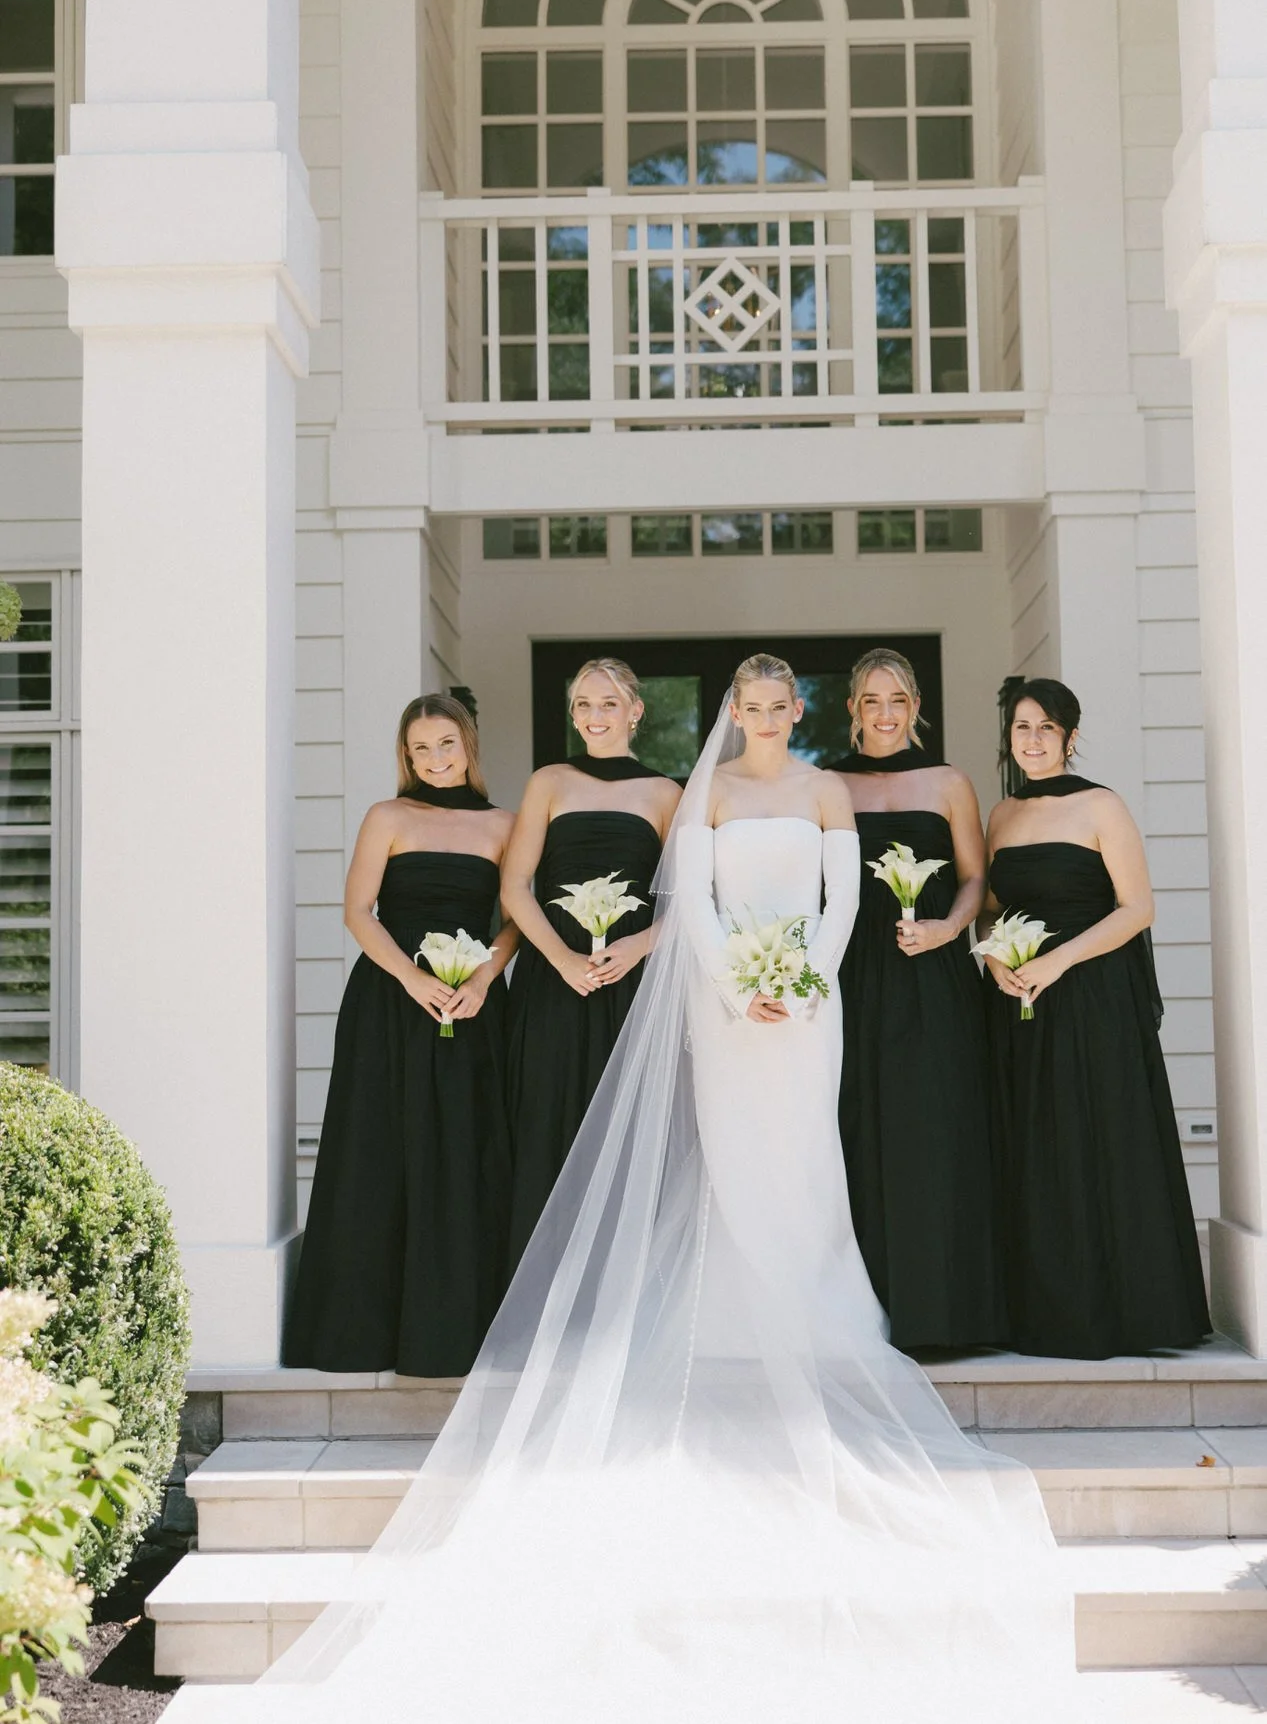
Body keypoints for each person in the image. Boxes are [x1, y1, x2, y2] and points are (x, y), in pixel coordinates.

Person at [235, 654, 1084, 1724]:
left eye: (781, 707)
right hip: (725, 1005)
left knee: (806, 1155)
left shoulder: (822, 792)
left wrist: (802, 978)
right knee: (727, 1152)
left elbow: (838, 906)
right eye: (755, 706)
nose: (767, 718)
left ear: (796, 714)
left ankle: (817, 1304)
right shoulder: (707, 792)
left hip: (805, 1007)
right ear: (736, 713)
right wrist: (740, 979)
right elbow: (690, 902)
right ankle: (720, 1301)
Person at [283, 695, 517, 1378]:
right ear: (405, 756)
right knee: (378, 1149)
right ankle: (358, 1337)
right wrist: (412, 980)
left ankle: (457, 1335)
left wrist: (479, 980)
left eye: (446, 745)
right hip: (389, 1002)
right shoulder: (386, 817)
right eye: (421, 750)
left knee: (464, 1151)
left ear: (468, 746)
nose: (436, 760)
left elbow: (513, 920)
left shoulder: (504, 825)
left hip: (472, 1005)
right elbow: (359, 913)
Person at [982, 677, 1210, 1359]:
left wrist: (1058, 963)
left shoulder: (1100, 806)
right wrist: (995, 959)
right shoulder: (1000, 815)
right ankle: (1046, 1312)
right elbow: (993, 909)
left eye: (1044, 729)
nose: (1030, 740)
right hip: (1020, 1000)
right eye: (1020, 728)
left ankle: (1127, 1315)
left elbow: (1136, 908)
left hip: (1091, 995)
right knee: (1036, 1147)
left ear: (1069, 737)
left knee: (1098, 1139)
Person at [833, 648, 1005, 1351]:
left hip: (932, 975)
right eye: (870, 700)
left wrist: (946, 930)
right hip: (851, 976)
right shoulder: (825, 784)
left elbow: (976, 880)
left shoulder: (947, 783)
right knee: (855, 1128)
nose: (883, 713)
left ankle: (942, 1312)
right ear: (851, 709)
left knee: (933, 1130)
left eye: (896, 700)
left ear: (914, 707)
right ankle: (860, 1315)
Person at [501, 657, 679, 1268]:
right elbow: (516, 886)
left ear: (635, 711)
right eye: (584, 704)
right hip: (553, 984)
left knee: (627, 1132)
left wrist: (635, 948)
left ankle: (620, 1289)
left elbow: (693, 902)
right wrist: (560, 960)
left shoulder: (665, 793)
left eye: (609, 704)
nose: (595, 716)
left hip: (632, 986)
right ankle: (543, 1290)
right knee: (547, 1119)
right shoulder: (548, 782)